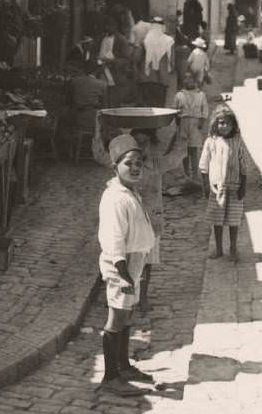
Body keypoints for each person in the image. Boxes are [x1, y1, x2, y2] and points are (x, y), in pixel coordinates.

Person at [98, 134, 156, 396]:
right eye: (128, 163)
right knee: (117, 317)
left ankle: (123, 365)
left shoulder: (129, 192)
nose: (135, 168)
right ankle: (110, 377)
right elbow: (113, 240)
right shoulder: (114, 198)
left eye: (139, 164)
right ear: (115, 167)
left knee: (127, 314)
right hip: (121, 264)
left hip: (134, 262)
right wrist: (124, 275)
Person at [130, 127, 187, 314]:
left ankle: (143, 298)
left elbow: (177, 156)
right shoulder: (125, 166)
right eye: (136, 142)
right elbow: (100, 156)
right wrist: (99, 128)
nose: (140, 147)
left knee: (146, 263)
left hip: (150, 222)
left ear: (151, 145)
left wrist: (180, 132)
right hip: (128, 222)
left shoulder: (156, 164)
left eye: (144, 143)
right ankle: (126, 297)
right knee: (126, 260)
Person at [199, 107, 247, 262]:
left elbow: (243, 166)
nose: (223, 126)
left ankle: (233, 247)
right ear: (215, 124)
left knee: (234, 220)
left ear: (233, 125)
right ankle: (219, 248)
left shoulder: (237, 142)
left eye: (227, 123)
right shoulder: (211, 141)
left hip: (234, 188)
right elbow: (204, 166)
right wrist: (206, 186)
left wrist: (243, 186)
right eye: (220, 123)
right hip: (216, 188)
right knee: (217, 220)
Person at [174, 72, 209, 181]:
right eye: (186, 78)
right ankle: (186, 174)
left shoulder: (201, 95)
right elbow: (174, 110)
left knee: (193, 149)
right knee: (184, 150)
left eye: (190, 79)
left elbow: (205, 110)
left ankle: (194, 174)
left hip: (195, 124)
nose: (188, 81)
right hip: (184, 123)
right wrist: (178, 122)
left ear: (195, 81)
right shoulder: (179, 95)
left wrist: (201, 122)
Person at [137, 17, 174, 107]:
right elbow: (172, 62)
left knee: (148, 104)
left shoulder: (145, 40)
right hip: (162, 79)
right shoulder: (169, 41)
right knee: (160, 105)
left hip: (147, 78)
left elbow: (138, 58)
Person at [97, 17, 133, 107]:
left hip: (115, 73)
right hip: (102, 71)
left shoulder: (121, 40)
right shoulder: (102, 38)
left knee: (114, 99)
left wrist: (113, 61)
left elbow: (127, 59)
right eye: (106, 26)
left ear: (115, 27)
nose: (107, 28)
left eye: (110, 26)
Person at [68, 59, 108, 130]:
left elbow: (69, 101)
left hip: (76, 118)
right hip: (93, 119)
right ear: (97, 70)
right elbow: (104, 106)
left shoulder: (74, 81)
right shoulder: (102, 84)